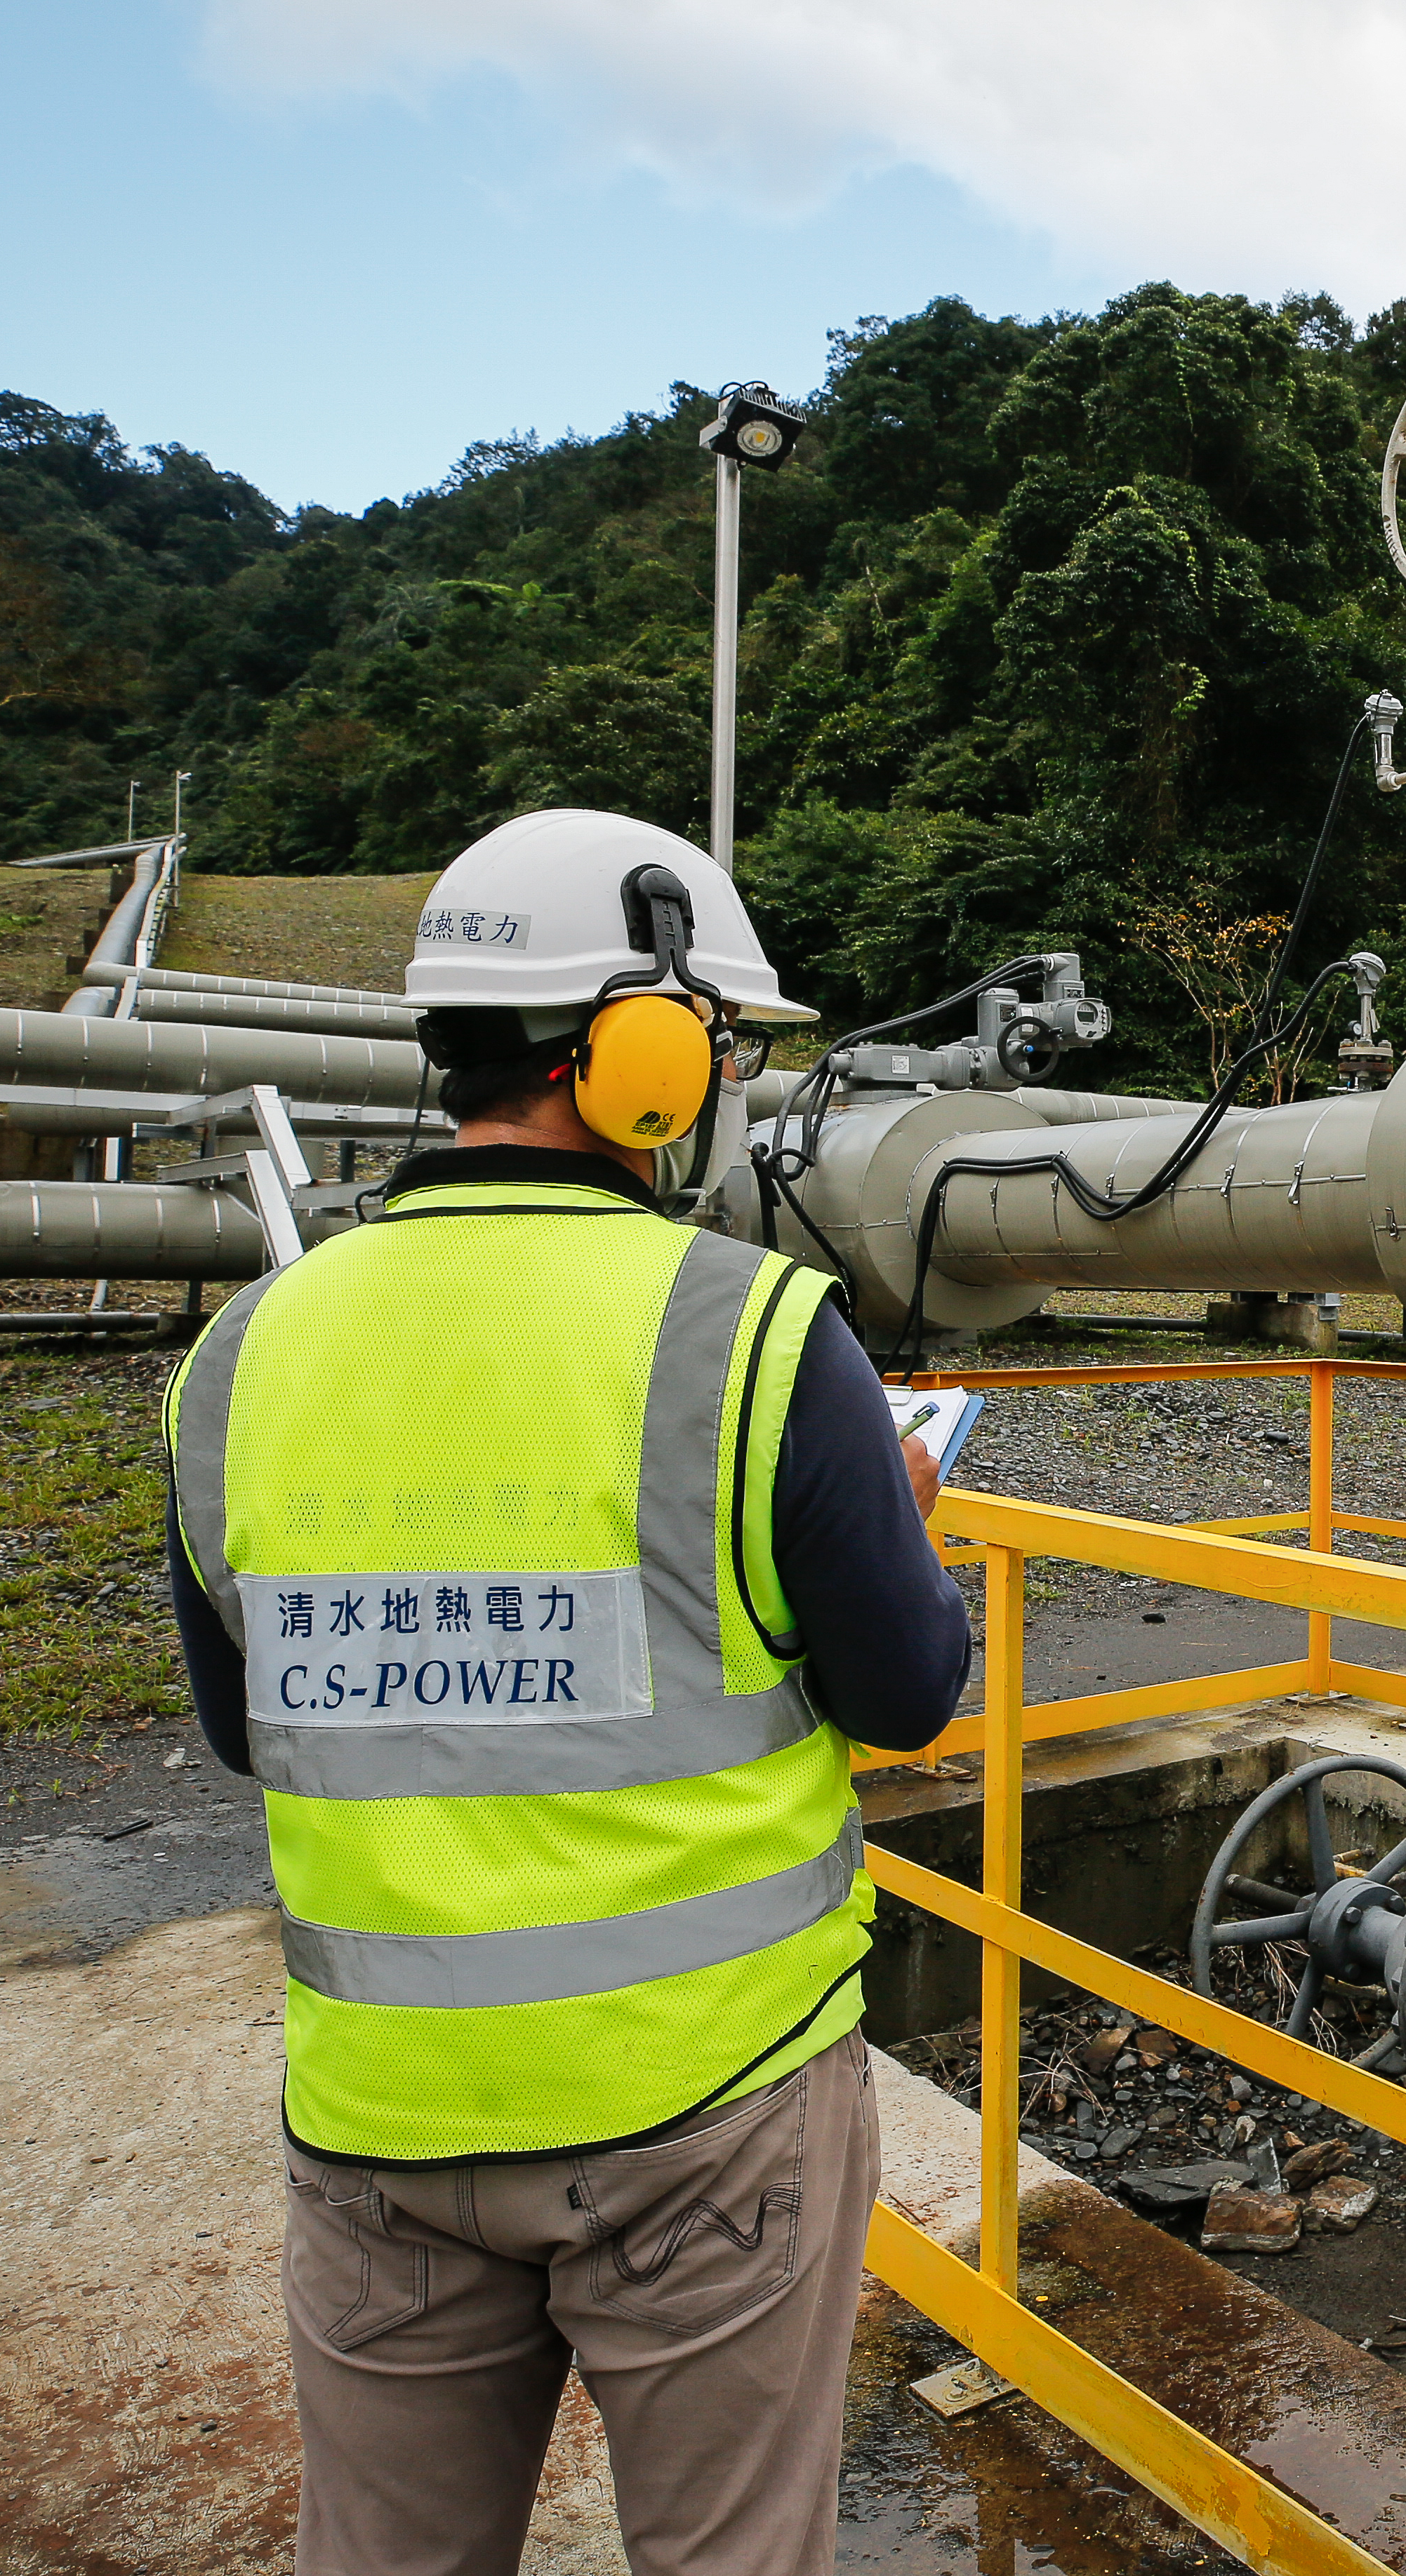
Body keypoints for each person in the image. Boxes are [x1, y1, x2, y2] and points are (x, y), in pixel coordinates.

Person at [161, 808, 968, 2576]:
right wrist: (895, 1531)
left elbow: (250, 1730)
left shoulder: (242, 1356)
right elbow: (908, 1695)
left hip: (380, 2123)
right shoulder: (757, 1333)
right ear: (646, 1051)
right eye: (722, 1047)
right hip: (709, 2113)